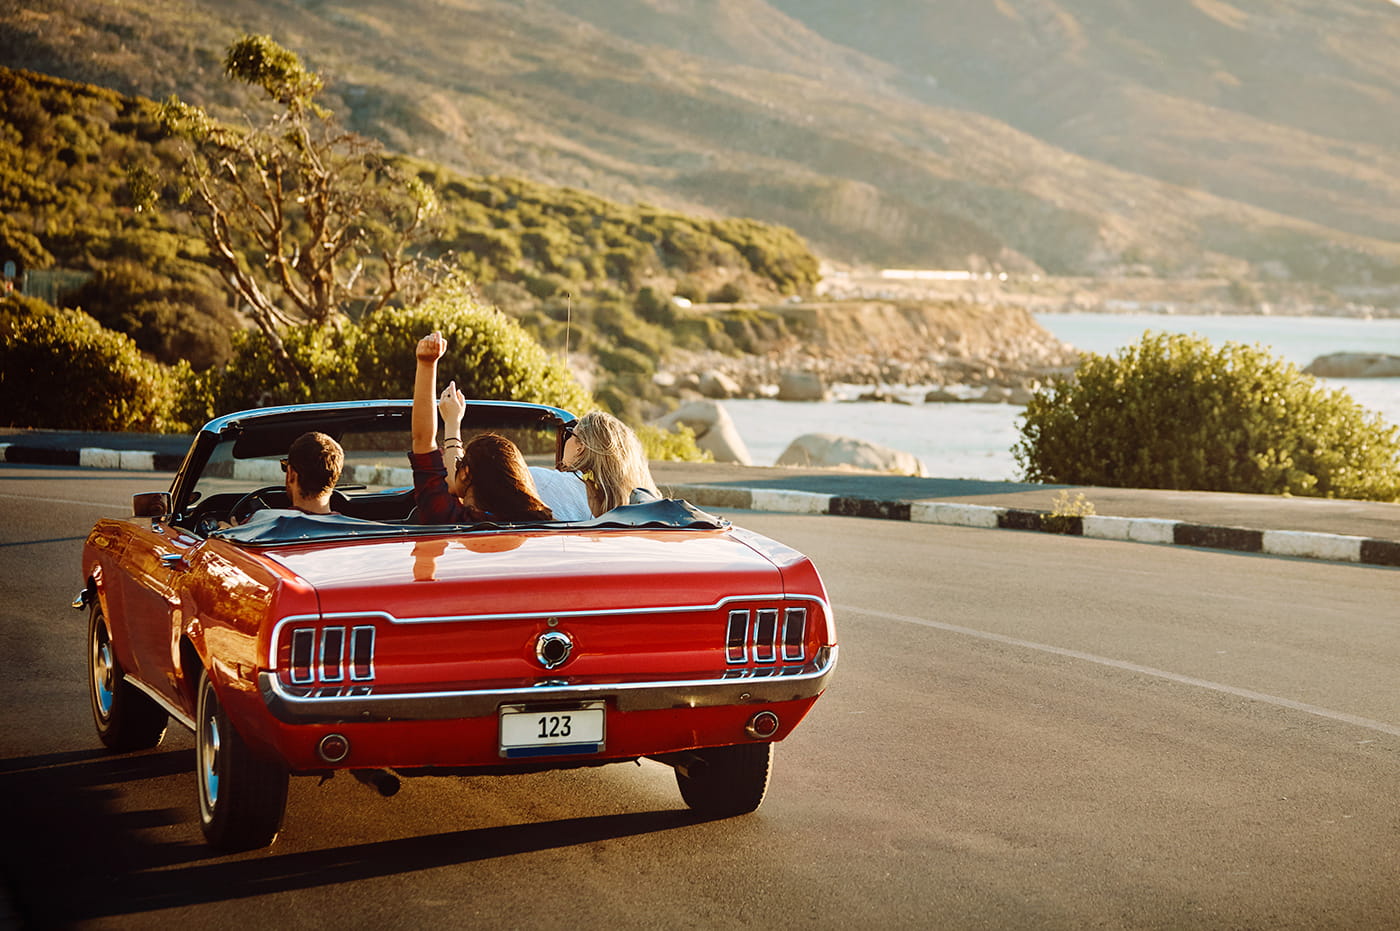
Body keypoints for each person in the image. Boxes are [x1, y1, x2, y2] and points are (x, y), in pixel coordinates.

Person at [411, 331, 554, 523]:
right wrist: (453, 423)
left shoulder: (447, 517)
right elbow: (455, 477)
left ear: (466, 473)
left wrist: (427, 364)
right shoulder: (542, 523)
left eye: (460, 464)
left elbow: (423, 440)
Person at [560, 410, 661, 516]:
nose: (566, 440)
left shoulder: (564, 485)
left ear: (580, 447)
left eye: (570, 434)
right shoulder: (640, 504)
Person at [238, 431, 344, 523]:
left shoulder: (258, 526)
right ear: (335, 477)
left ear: (291, 474)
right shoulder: (354, 530)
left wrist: (229, 533)